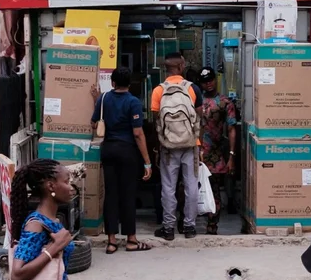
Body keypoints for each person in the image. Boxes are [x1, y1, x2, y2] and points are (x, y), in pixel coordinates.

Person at [91, 67, 152, 253]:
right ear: (130, 84)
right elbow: (138, 133)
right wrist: (147, 162)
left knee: (111, 194)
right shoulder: (133, 102)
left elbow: (94, 123)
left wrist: (97, 101)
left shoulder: (103, 99)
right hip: (127, 152)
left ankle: (111, 241)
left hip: (108, 150)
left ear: (113, 83)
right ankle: (131, 239)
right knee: (128, 194)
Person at [149, 52, 201, 240]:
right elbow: (198, 116)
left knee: (168, 187)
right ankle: (189, 227)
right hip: (190, 145)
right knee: (191, 186)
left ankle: (168, 228)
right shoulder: (193, 88)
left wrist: (158, 146)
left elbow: (156, 121)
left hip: (168, 146)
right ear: (181, 66)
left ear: (166, 69)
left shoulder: (158, 91)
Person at [196, 67, 240, 234]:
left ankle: (212, 225)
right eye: (205, 81)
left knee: (214, 191)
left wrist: (231, 156)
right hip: (194, 152)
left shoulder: (224, 103)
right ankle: (186, 222)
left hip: (214, 153)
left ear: (215, 80)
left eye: (211, 80)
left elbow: (231, 129)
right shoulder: (195, 101)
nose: (208, 84)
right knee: (189, 189)